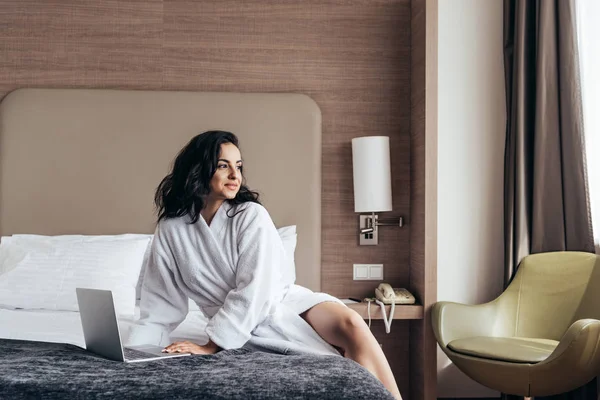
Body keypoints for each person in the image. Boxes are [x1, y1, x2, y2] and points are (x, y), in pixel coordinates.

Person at [128, 130, 402, 399]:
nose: (236, 175)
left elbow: (256, 287)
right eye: (223, 166)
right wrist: (135, 350)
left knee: (352, 323)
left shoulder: (250, 215)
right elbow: (160, 301)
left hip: (277, 301)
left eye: (239, 166)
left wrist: (213, 345)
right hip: (236, 323)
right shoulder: (171, 228)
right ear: (199, 169)